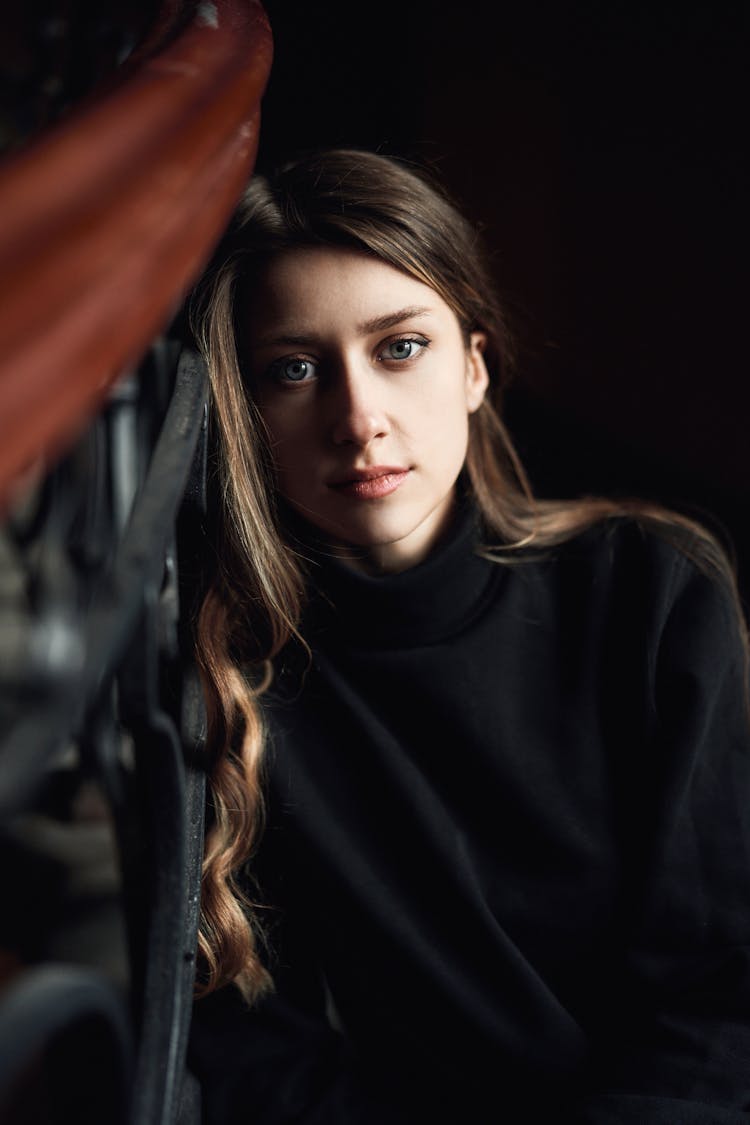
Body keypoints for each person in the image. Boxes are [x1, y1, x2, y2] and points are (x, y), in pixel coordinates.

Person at [184, 146, 750, 1124]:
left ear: (476, 369)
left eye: (400, 347)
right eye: (294, 370)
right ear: (244, 413)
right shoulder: (228, 675)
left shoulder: (652, 592)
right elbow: (238, 1049)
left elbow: (720, 991)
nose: (359, 418)